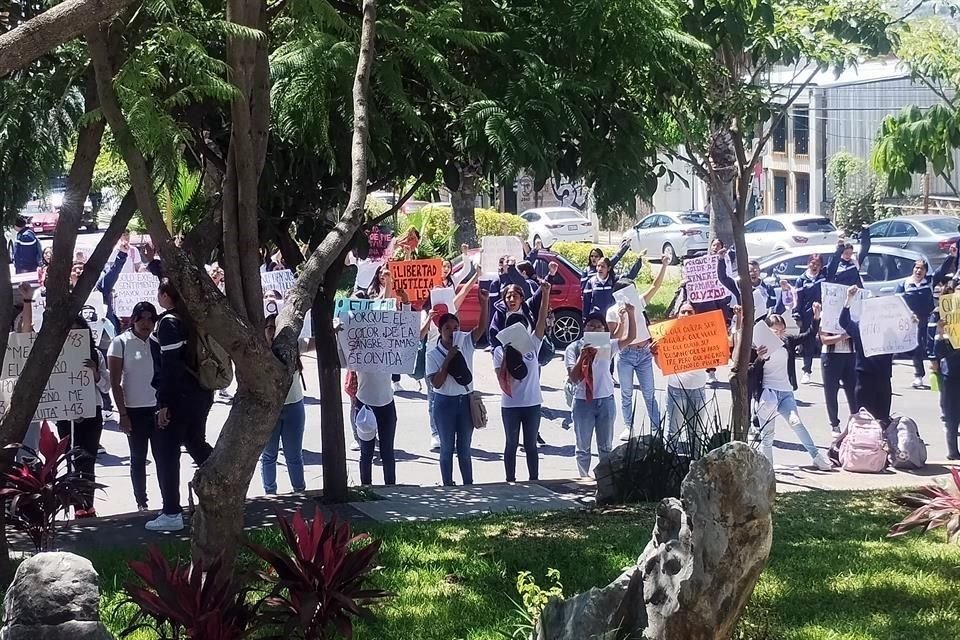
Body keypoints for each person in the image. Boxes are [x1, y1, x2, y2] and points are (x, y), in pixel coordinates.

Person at [147, 279, 215, 532]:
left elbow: (171, 365)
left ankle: (171, 512)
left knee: (166, 453)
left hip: (178, 397)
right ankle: (227, 488)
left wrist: (164, 402)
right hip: (199, 394)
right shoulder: (191, 320)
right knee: (196, 443)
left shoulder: (168, 323)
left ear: (165, 295)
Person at [752, 305, 833, 470]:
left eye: (782, 330)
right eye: (775, 331)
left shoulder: (787, 341)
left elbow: (809, 335)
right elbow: (751, 371)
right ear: (767, 331)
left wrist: (816, 318)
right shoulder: (759, 346)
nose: (780, 334)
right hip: (767, 393)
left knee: (796, 422)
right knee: (768, 435)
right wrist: (759, 358)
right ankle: (767, 468)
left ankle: (816, 456)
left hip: (785, 391)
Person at [426, 288, 489, 486]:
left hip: (465, 402)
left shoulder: (465, 341)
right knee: (446, 447)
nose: (452, 332)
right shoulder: (432, 354)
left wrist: (484, 303)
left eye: (455, 327)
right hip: (445, 403)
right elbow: (436, 382)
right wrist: (449, 358)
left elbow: (481, 328)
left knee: (464, 447)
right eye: (448, 329)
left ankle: (468, 484)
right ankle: (447, 484)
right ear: (441, 330)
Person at [567, 306, 636, 478]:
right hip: (583, 401)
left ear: (605, 330)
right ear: (584, 328)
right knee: (583, 447)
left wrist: (631, 315)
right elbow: (574, 377)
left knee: (605, 446)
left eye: (599, 327)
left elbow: (630, 338)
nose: (594, 329)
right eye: (591, 326)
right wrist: (583, 356)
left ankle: (605, 480)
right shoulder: (574, 348)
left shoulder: (608, 346)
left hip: (605, 400)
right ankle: (583, 478)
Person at [493, 280, 551, 482]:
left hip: (532, 403)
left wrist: (545, 294)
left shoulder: (533, 344)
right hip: (510, 405)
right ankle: (510, 480)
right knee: (511, 443)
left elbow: (542, 320)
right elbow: (501, 378)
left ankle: (534, 480)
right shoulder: (500, 351)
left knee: (530, 445)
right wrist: (510, 355)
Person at [608, 254, 669, 440]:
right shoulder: (611, 312)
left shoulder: (640, 302)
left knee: (649, 393)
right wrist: (622, 317)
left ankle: (657, 427)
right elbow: (612, 337)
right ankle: (628, 426)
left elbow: (655, 287)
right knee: (626, 393)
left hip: (643, 354)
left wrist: (664, 265)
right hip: (625, 354)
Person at [56, 316, 111, 518]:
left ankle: (88, 504)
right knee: (71, 460)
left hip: (91, 413)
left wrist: (95, 373)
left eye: (77, 331)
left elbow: (106, 386)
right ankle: (74, 504)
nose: (73, 336)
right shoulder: (56, 354)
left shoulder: (95, 354)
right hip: (65, 413)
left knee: (88, 460)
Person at [107, 301, 159, 512]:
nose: (146, 323)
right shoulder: (120, 343)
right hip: (134, 411)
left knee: (164, 457)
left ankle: (168, 501)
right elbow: (115, 382)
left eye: (150, 319)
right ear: (134, 319)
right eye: (142, 318)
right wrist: (123, 413)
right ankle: (141, 502)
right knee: (138, 458)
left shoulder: (157, 342)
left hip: (157, 408)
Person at [421, 270, 480, 451]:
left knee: (454, 389)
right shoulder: (426, 314)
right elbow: (420, 336)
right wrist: (429, 318)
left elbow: (463, 292)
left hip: (454, 354)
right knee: (433, 398)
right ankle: (436, 434)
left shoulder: (451, 309)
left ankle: (452, 433)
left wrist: (475, 276)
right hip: (433, 357)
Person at [259, 314, 306, 494]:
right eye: (269, 328)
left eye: (275, 328)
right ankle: (270, 493)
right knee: (269, 455)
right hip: (270, 410)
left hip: (294, 407)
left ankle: (299, 491)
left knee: (293, 455)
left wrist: (333, 330)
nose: (272, 332)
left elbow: (313, 342)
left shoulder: (293, 346)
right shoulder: (259, 352)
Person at [839, 285, 897, 427]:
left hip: (883, 379)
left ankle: (881, 447)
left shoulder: (889, 330)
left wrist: (912, 322)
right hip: (864, 379)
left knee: (883, 420)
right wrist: (849, 300)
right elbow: (844, 322)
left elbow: (906, 338)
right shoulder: (860, 327)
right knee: (864, 420)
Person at [659, 302, 711, 452]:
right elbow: (662, 366)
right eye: (683, 312)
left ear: (696, 315)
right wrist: (656, 353)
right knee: (673, 431)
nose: (687, 315)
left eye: (690, 312)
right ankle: (668, 465)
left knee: (696, 433)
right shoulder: (668, 335)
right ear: (677, 314)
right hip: (676, 390)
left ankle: (695, 466)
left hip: (698, 390)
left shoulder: (705, 334)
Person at [897, 259, 936, 389]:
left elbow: (941, 273)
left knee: (931, 347)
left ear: (925, 271)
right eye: (916, 268)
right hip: (911, 321)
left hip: (927, 319)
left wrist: (952, 257)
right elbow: (897, 302)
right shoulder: (904, 284)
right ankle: (918, 376)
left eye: (921, 269)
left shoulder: (929, 283)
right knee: (916, 347)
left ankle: (937, 373)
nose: (918, 271)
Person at [818, 323, 857, 435]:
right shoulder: (828, 313)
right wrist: (843, 336)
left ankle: (856, 422)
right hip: (830, 356)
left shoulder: (852, 314)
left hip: (850, 355)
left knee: (853, 392)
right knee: (831, 392)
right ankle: (835, 424)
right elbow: (824, 339)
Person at [934, 295, 960, 460]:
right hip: (951, 377)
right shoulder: (948, 332)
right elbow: (939, 352)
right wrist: (941, 332)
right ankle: (953, 451)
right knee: (952, 416)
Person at [793, 254, 825, 384]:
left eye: (818, 264)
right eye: (812, 263)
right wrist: (797, 314)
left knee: (826, 341)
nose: (815, 266)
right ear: (808, 264)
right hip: (807, 315)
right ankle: (807, 371)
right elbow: (797, 299)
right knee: (808, 343)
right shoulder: (802, 279)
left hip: (823, 313)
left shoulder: (824, 278)